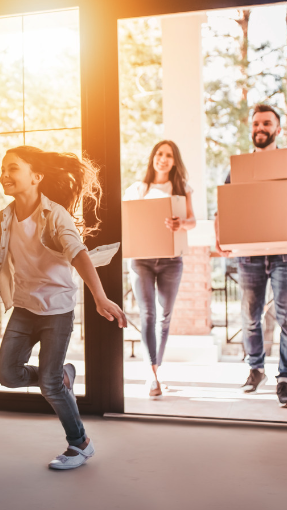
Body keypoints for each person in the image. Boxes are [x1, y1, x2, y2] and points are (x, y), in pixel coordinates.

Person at [0, 145, 127, 471]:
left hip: (57, 310)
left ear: (36, 176)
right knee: (6, 374)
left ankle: (79, 443)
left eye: (13, 168)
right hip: (25, 308)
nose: (5, 174)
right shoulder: (5, 218)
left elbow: (79, 254)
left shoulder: (55, 215)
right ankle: (59, 377)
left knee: (49, 386)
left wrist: (99, 297)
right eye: (3, 168)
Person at [215, 104, 287, 408]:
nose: (260, 128)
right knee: (250, 317)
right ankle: (256, 369)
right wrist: (221, 238)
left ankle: (286, 378)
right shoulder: (237, 169)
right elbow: (223, 207)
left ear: (277, 128)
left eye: (266, 123)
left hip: (284, 253)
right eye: (256, 124)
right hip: (248, 255)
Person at [123, 140, 196, 398]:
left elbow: (192, 221)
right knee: (148, 315)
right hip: (141, 260)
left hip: (171, 260)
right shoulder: (137, 189)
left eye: (168, 155)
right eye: (159, 153)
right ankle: (151, 374)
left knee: (164, 317)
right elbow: (127, 221)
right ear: (153, 157)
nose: (162, 158)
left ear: (174, 161)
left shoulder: (181, 188)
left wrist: (181, 224)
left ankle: (156, 369)